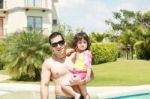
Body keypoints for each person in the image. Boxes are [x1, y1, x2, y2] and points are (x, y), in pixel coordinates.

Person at [40, 32, 89, 99]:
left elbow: (91, 75)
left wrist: (82, 81)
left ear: (65, 42)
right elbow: (44, 85)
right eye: (54, 44)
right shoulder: (48, 63)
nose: (58, 46)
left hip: (80, 96)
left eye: (61, 42)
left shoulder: (75, 55)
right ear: (51, 47)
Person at [62, 32, 92, 99]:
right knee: (84, 93)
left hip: (81, 75)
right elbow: (74, 50)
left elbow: (89, 66)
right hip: (77, 74)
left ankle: (76, 95)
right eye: (80, 42)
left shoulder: (86, 53)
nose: (82, 44)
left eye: (84, 42)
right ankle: (77, 95)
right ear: (76, 44)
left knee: (64, 84)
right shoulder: (78, 52)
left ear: (87, 43)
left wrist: (88, 76)